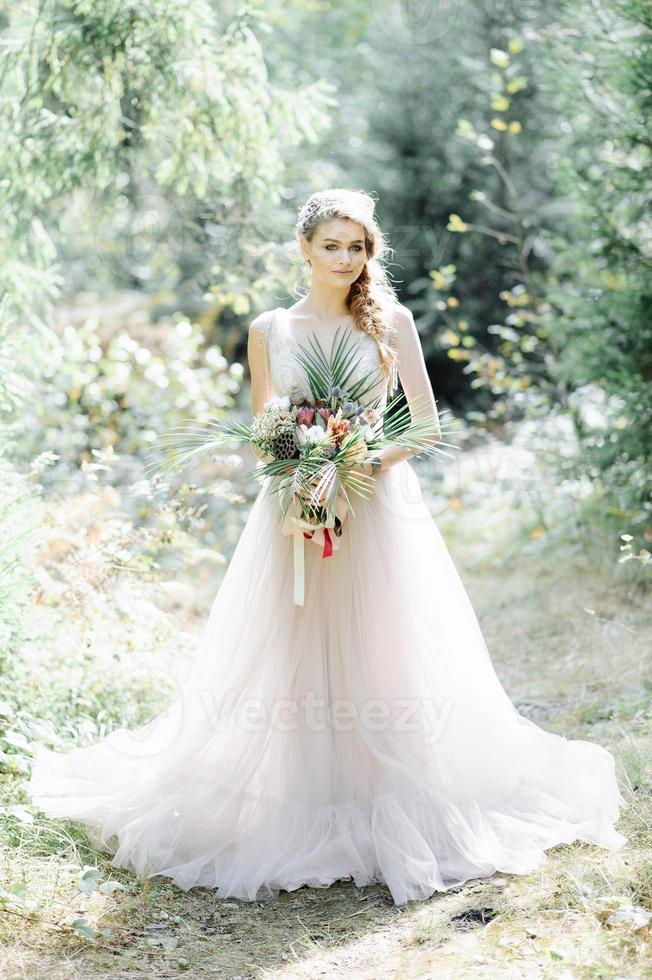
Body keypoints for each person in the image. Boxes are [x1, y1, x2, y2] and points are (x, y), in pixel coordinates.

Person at [24, 188, 625, 907]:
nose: (345, 259)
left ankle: (388, 790)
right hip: (295, 510)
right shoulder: (270, 327)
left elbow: (425, 427)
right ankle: (297, 793)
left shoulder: (391, 321)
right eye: (332, 245)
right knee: (294, 645)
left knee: (386, 643)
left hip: (377, 507)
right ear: (303, 249)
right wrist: (301, 475)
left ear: (371, 253)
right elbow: (266, 425)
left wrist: (356, 464)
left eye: (358, 247)